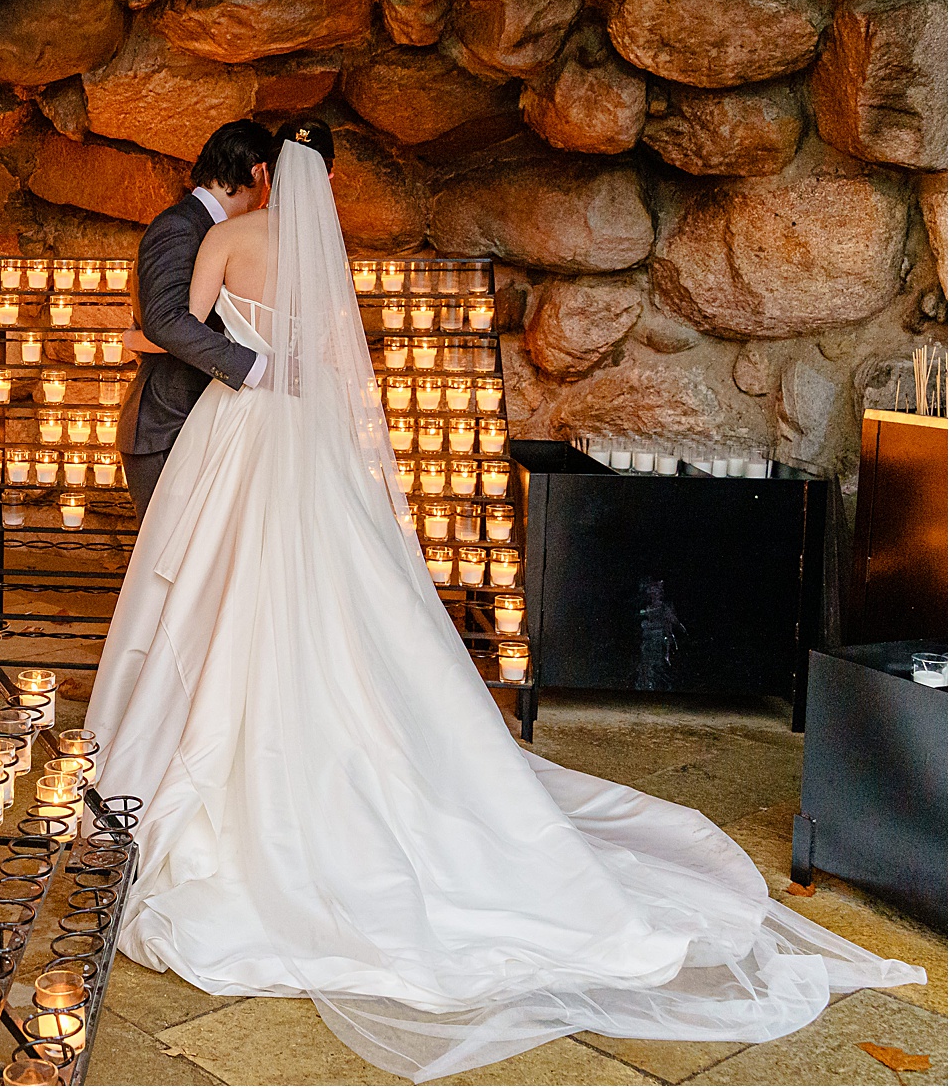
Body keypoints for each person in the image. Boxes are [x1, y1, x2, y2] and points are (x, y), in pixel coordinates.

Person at [84, 124, 923, 1082]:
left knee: (207, 584)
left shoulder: (226, 243)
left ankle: (212, 733)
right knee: (331, 587)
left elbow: (183, 329)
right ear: (315, 187)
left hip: (234, 430)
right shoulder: (323, 255)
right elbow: (326, 358)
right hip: (302, 439)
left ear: (266, 175)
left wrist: (235, 363)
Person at [115, 120, 274, 517]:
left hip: (202, 421)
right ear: (257, 172)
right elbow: (167, 321)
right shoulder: (179, 226)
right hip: (166, 426)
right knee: (167, 566)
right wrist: (253, 367)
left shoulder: (218, 229)